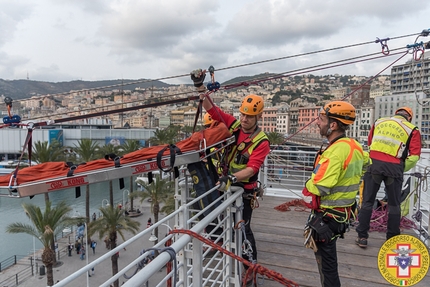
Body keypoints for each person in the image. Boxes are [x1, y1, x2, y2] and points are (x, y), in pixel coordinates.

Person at [191, 69, 270, 283]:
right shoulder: (234, 126)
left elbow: (252, 169)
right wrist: (200, 86)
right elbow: (213, 110)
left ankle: (249, 265)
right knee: (227, 224)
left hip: (242, 190)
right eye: (242, 114)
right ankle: (234, 258)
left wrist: (232, 179)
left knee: (244, 228)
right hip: (227, 185)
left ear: (258, 117)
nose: (243, 119)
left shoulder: (261, 142)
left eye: (249, 116)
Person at [302, 101, 367, 287]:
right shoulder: (354, 146)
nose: (317, 123)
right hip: (342, 215)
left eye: (321, 119)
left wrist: (308, 182)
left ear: (333, 125)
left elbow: (320, 186)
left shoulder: (335, 152)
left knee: (327, 268)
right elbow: (366, 163)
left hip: (328, 217)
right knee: (329, 264)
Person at [356, 107, 421, 247]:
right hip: (394, 168)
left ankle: (362, 237)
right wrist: (400, 167)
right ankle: (391, 239)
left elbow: (370, 143)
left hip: (374, 165)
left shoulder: (379, 122)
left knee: (367, 202)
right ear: (409, 117)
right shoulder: (412, 129)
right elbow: (414, 157)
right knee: (394, 205)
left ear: (395, 114)